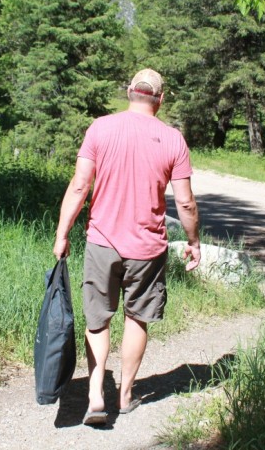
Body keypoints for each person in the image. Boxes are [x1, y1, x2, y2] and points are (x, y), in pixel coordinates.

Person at [53, 68, 201, 427]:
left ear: (129, 93)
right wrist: (194, 241)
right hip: (148, 249)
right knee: (137, 318)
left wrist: (62, 232)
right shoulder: (173, 139)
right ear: (160, 100)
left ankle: (95, 395)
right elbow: (185, 204)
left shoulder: (100, 128)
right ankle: (126, 395)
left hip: (102, 241)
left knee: (98, 319)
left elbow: (79, 187)